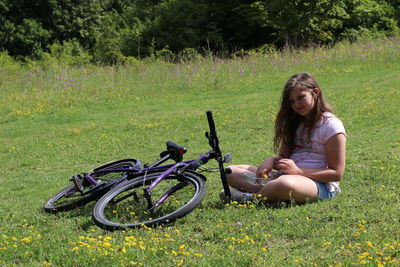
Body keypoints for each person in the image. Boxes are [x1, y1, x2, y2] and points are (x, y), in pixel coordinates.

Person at [223, 72, 346, 204]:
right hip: (285, 176)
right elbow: (283, 160)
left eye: (301, 97)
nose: (296, 104)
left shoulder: (331, 126)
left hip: (317, 184)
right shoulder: (294, 123)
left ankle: (250, 198)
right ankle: (268, 192)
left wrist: (298, 171)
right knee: (230, 172)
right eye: (292, 101)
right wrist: (271, 161)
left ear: (315, 93)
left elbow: (336, 173)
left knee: (284, 184)